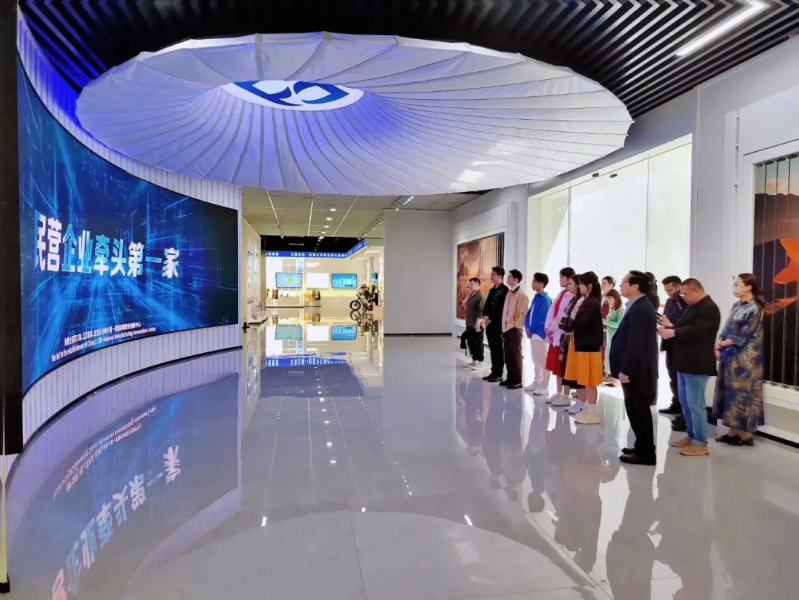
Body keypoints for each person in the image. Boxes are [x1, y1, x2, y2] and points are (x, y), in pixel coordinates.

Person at [658, 278, 721, 457]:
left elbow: (699, 332)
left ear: (696, 291)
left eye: (685, 294)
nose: (683, 297)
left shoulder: (709, 308)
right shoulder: (693, 306)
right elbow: (686, 327)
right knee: (685, 402)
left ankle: (700, 442)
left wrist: (674, 332)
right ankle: (691, 435)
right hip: (684, 361)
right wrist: (671, 325)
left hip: (697, 363)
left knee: (695, 404)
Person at [610, 271, 659, 465]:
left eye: (624, 282)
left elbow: (635, 343)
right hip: (637, 368)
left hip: (637, 370)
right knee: (635, 409)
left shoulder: (641, 308)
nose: (620, 285)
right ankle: (641, 446)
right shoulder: (638, 305)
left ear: (635, 286)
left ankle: (646, 453)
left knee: (639, 410)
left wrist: (626, 370)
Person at [713, 274, 765, 446]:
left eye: (737, 284)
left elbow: (744, 335)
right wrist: (718, 342)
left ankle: (746, 436)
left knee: (742, 394)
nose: (734, 287)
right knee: (730, 392)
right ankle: (732, 432)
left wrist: (722, 344)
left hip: (746, 359)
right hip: (731, 356)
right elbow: (727, 326)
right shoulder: (736, 305)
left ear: (748, 287)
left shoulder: (755, 308)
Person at [564, 271, 605, 425]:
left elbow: (581, 322)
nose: (579, 287)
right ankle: (589, 410)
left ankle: (593, 412)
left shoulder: (592, 303)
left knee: (590, 381)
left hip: (589, 347)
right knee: (585, 380)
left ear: (589, 286)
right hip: (584, 345)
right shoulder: (588, 301)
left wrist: (571, 321)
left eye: (581, 284)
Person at [545, 267, 576, 406]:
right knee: (557, 368)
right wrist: (547, 327)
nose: (560, 280)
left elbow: (562, 316)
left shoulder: (573, 296)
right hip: (554, 334)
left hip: (562, 334)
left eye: (562, 277)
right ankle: (558, 393)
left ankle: (565, 395)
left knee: (564, 367)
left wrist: (551, 328)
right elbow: (552, 311)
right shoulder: (562, 293)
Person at [658, 276, 687, 419]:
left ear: (678, 287)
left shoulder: (685, 303)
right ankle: (675, 403)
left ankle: (683, 408)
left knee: (681, 377)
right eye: (666, 291)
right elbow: (666, 318)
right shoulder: (670, 301)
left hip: (681, 343)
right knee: (672, 375)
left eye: (670, 290)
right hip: (669, 342)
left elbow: (685, 323)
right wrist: (662, 322)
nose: (668, 293)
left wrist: (672, 325)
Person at [500, 269, 529, 390]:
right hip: (507, 328)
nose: (507, 279)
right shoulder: (509, 293)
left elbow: (523, 313)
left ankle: (517, 380)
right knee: (508, 354)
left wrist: (516, 326)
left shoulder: (521, 294)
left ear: (516, 280)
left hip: (514, 328)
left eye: (509, 277)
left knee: (516, 354)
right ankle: (510, 377)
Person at [525, 273, 552, 395]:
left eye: (534, 281)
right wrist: (527, 327)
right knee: (536, 359)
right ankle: (537, 381)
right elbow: (529, 314)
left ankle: (544, 385)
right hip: (533, 333)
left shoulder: (545, 299)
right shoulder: (536, 298)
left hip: (540, 334)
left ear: (541, 284)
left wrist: (531, 329)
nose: (532, 283)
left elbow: (542, 318)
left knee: (543, 360)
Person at [482, 267, 508, 383]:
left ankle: (499, 373)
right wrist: (485, 316)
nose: (491, 276)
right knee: (492, 348)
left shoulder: (505, 291)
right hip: (490, 324)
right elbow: (487, 305)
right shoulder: (492, 290)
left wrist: (492, 318)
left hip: (498, 324)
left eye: (493, 274)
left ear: (499, 276)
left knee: (498, 348)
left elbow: (502, 309)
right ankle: (493, 371)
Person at [463, 277, 486, 370]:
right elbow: (465, 304)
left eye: (472, 284)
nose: (470, 286)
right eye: (470, 284)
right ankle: (474, 360)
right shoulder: (471, 295)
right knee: (471, 342)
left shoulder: (481, 296)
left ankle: (480, 362)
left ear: (477, 284)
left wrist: (477, 324)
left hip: (477, 324)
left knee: (478, 343)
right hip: (469, 323)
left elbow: (481, 311)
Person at [603, 289, 624, 386]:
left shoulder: (621, 309)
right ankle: (612, 376)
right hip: (609, 335)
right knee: (609, 355)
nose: (609, 301)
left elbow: (619, 324)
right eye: (608, 299)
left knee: (615, 356)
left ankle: (617, 379)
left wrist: (604, 322)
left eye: (610, 299)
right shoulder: (613, 308)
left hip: (616, 336)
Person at [601, 276, 616, 384]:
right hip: (601, 327)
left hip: (609, 328)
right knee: (603, 350)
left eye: (605, 283)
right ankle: (605, 372)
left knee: (609, 350)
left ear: (611, 285)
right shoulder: (602, 297)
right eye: (602, 283)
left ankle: (611, 374)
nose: (602, 285)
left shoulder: (613, 298)